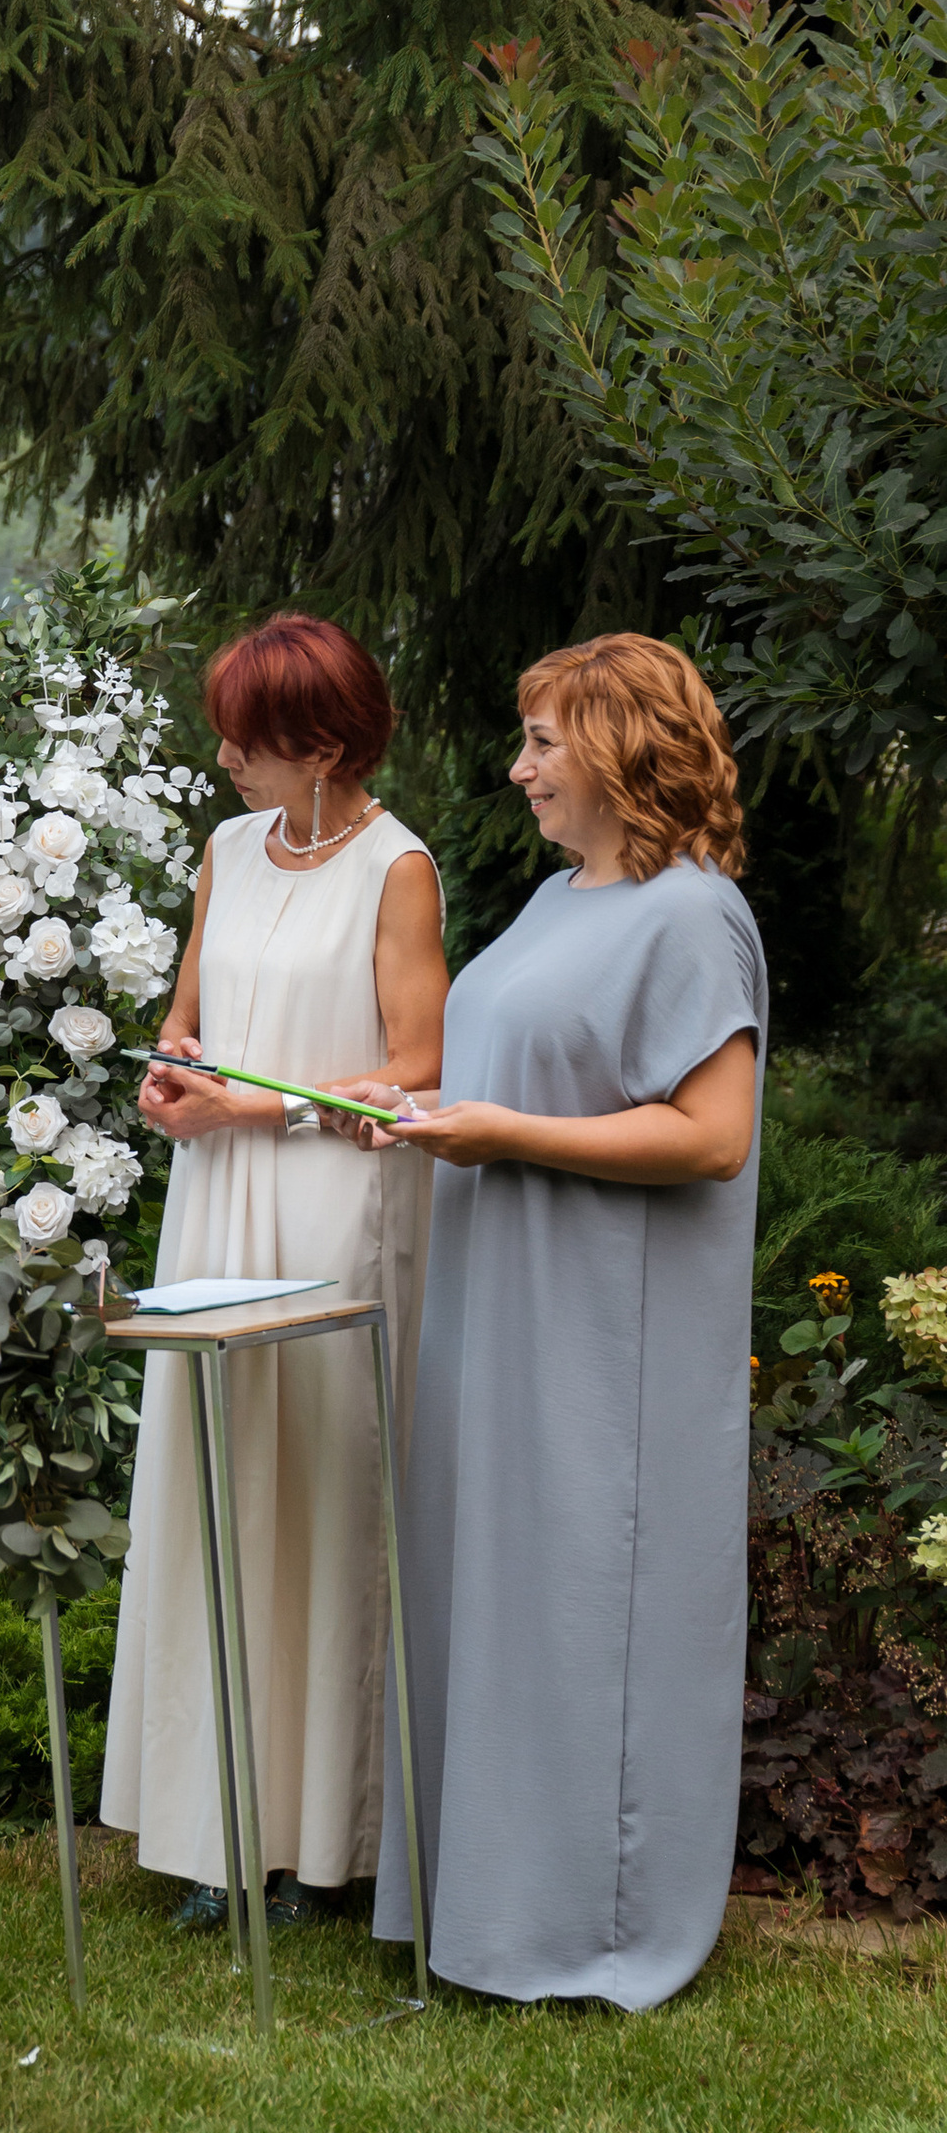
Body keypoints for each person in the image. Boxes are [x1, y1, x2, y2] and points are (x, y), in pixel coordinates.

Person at [373, 635, 766, 2009]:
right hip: (501, 1307)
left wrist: (501, 1131)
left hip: (609, 1336)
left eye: (542, 739)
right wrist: (426, 1115)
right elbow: (504, 1069)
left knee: (585, 1607)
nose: (518, 764)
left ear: (617, 748)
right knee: (499, 1597)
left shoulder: (694, 912)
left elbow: (714, 1135)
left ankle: (591, 1925)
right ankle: (488, 1903)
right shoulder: (554, 901)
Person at [101, 613, 448, 1922]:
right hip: (216, 1194)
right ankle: (212, 1825)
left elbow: (420, 1063)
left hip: (333, 1195)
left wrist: (264, 1108)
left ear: (324, 742)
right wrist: (172, 1069)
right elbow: (193, 1010)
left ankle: (320, 1847)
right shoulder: (227, 849)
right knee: (216, 1480)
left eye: (248, 736)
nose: (226, 754)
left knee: (322, 1491)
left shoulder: (398, 867)